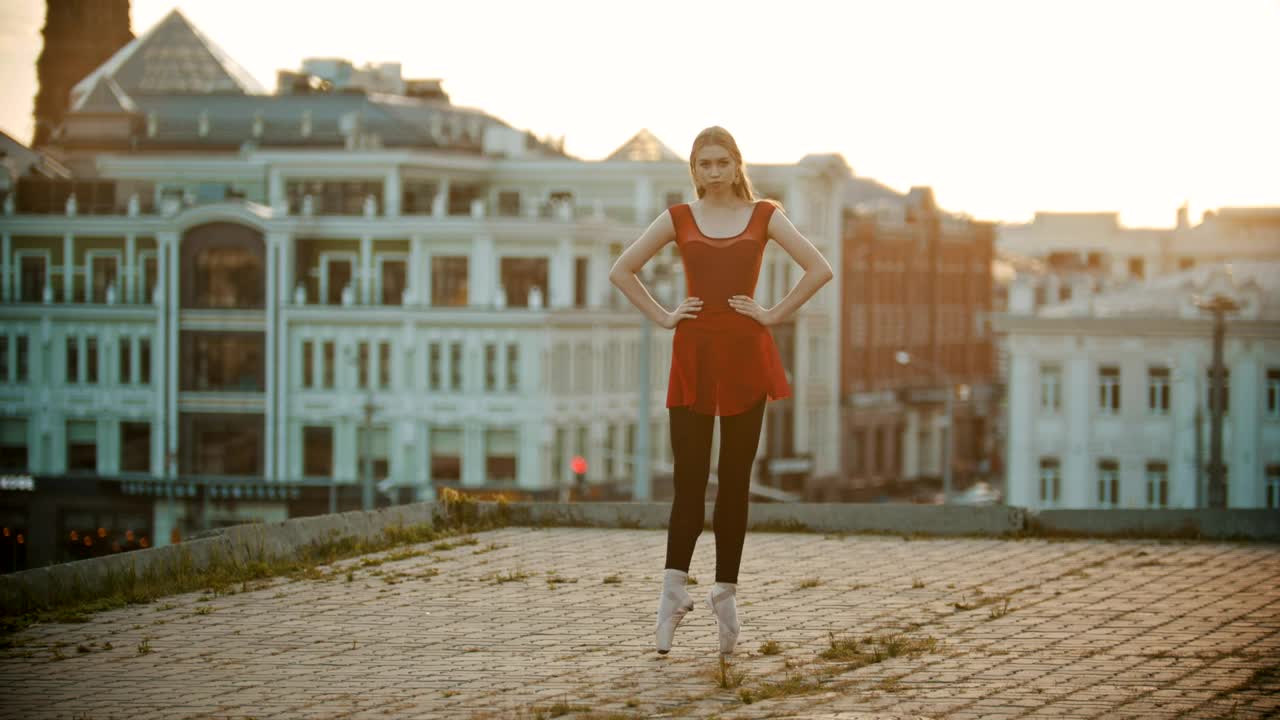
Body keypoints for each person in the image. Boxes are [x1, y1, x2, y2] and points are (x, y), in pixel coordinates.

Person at [608, 126, 834, 656]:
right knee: (688, 482)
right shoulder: (678, 217)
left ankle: (725, 594)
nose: (713, 172)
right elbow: (622, 270)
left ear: (736, 165)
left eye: (721, 162)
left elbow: (820, 269)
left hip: (745, 355)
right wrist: (664, 316)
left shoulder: (765, 215)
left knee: (735, 481)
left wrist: (773, 313)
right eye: (703, 164)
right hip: (693, 354)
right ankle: (672, 594)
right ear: (694, 169)